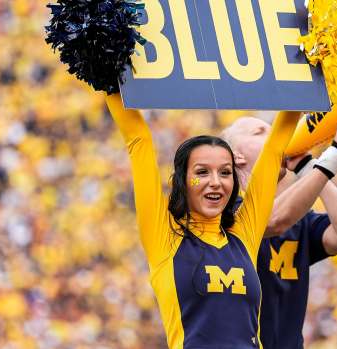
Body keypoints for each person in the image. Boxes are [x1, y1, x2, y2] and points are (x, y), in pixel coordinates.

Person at [105, 93, 299, 348]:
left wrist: (301, 82)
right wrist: (108, 81)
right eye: (202, 172)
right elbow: (138, 139)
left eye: (225, 173)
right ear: (182, 181)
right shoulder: (165, 237)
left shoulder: (243, 234)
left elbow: (274, 148)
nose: (216, 182)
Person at [221, 112, 337, 348]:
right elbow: (271, 219)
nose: (276, 138)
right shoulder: (221, 210)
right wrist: (334, 156)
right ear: (235, 156)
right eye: (261, 133)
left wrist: (307, 166)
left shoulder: (299, 221)